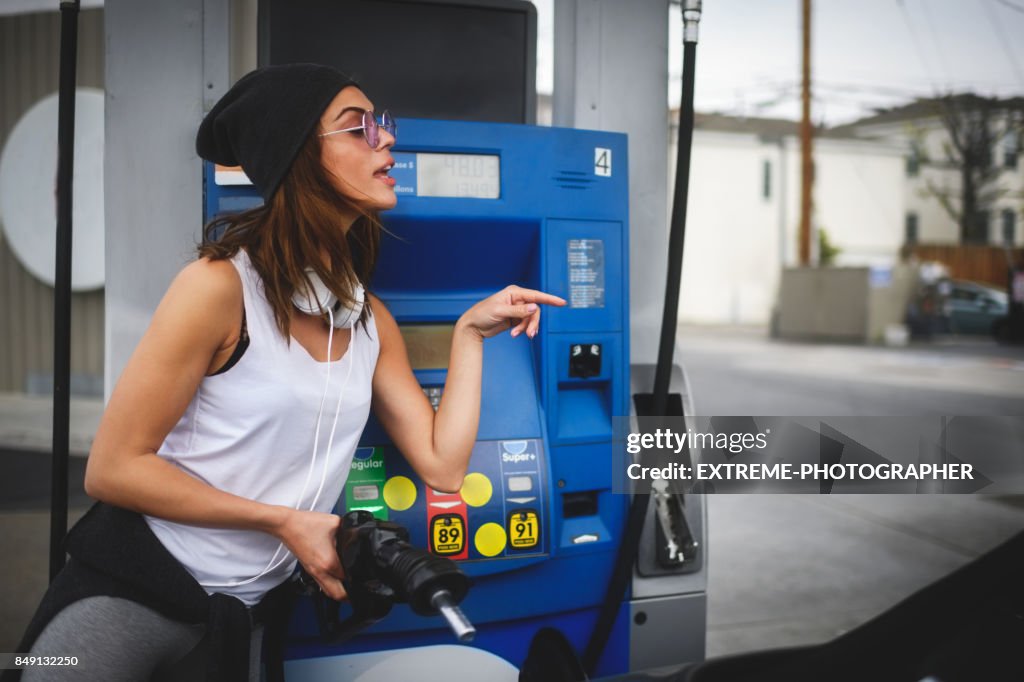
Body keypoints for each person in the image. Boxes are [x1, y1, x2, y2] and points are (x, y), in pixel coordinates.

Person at [10, 63, 564, 682]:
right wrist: (280, 520)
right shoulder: (217, 290)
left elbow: (443, 464)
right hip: (132, 595)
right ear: (297, 157)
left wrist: (468, 335)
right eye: (359, 128)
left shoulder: (366, 318)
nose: (387, 139)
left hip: (242, 618)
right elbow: (112, 470)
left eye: (382, 125)